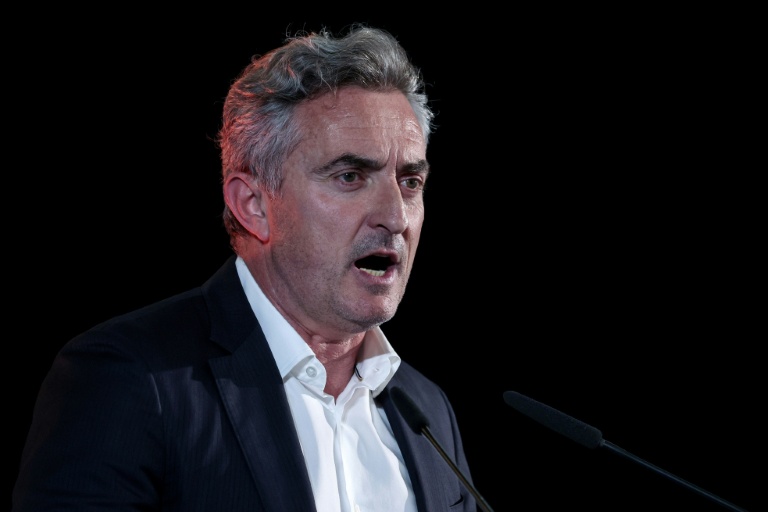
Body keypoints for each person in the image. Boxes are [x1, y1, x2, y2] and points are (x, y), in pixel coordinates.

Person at [12, 25, 479, 511]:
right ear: (253, 205)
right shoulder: (129, 379)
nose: (396, 217)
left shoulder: (428, 411)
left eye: (410, 181)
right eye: (349, 176)